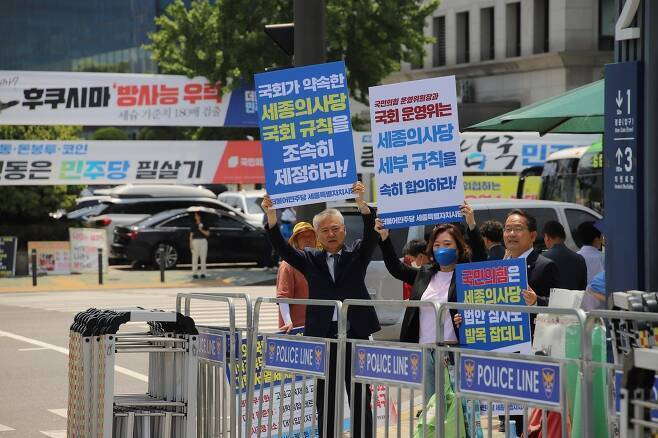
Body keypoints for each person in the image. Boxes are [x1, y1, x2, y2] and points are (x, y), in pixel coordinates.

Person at [261, 181, 379, 438]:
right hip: (324, 335)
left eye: (335, 229)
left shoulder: (356, 256)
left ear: (344, 231)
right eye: (324, 230)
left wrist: (362, 204)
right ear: (317, 234)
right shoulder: (310, 259)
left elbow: (371, 235)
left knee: (360, 395)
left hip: (355, 333)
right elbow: (282, 248)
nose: (331, 234)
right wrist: (271, 217)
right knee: (325, 396)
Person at [374, 202, 487, 401]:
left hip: (453, 351)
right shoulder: (426, 273)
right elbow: (396, 269)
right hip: (426, 350)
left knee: (457, 409)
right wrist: (384, 238)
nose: (441, 249)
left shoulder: (466, 274)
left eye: (447, 244)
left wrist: (471, 224)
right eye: (437, 245)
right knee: (431, 408)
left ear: (458, 248)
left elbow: (480, 256)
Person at [276, 221, 317, 332]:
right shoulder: (288, 264)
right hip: (296, 328)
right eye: (302, 237)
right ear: (296, 241)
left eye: (310, 236)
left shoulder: (320, 261)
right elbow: (283, 297)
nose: (307, 239)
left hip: (317, 325)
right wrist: (288, 322)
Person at [542, 220, 587, 290]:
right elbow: (583, 288)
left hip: (551, 300)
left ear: (547, 237)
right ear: (564, 236)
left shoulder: (542, 259)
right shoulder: (579, 259)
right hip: (574, 300)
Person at [189, 211, 210, 279]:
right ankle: (194, 273)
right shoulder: (193, 224)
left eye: (196, 215)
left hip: (203, 241)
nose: (195, 216)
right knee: (195, 258)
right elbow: (191, 235)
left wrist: (201, 229)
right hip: (195, 241)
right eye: (195, 215)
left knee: (203, 258)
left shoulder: (205, 224)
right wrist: (190, 244)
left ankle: (203, 273)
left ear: (200, 216)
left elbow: (208, 234)